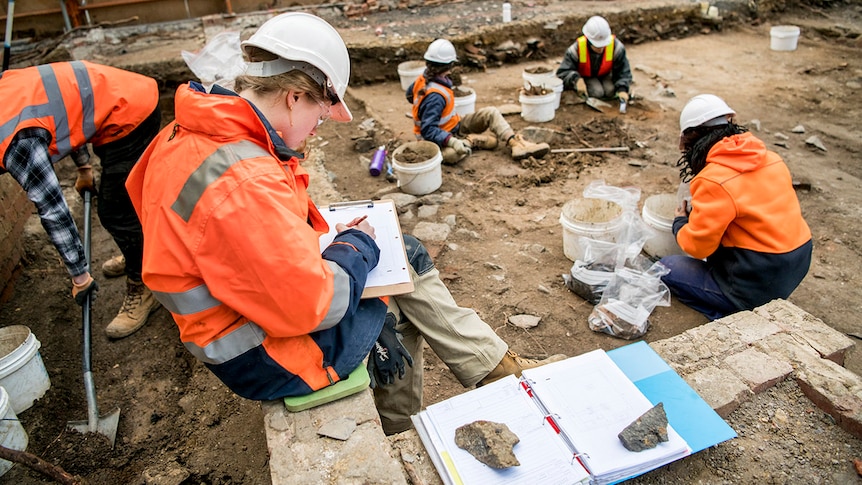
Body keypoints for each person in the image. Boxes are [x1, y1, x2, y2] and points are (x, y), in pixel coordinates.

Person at [125, 12, 564, 435]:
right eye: (319, 116)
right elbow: (314, 305)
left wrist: (309, 243)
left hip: (233, 314)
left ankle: (492, 370)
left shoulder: (190, 132)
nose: (317, 129)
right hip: (255, 350)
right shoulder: (245, 177)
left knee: (405, 254)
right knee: (393, 303)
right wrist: (354, 244)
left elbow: (198, 221)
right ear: (295, 96)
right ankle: (402, 426)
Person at [0, 60, 162, 338]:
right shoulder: (7, 95)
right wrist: (84, 167)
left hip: (130, 111)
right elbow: (61, 112)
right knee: (128, 196)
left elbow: (53, 209)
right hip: (119, 96)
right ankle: (143, 254)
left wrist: (80, 276)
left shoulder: (14, 139)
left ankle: (145, 285)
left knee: (115, 212)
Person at [659, 94, 813, 321]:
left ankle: (730, 313)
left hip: (756, 278)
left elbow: (698, 248)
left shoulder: (713, 179)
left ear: (691, 139)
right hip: (796, 262)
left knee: (667, 267)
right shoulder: (771, 158)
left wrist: (680, 223)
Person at [407, 38, 550, 165]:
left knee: (490, 113)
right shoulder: (435, 96)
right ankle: (471, 140)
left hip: (454, 125)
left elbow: (409, 96)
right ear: (449, 66)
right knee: (451, 155)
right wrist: (451, 141)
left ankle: (515, 142)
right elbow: (428, 130)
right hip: (435, 141)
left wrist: (421, 106)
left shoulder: (422, 79)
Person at [556, 16, 632, 102]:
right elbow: (562, 72)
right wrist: (576, 80)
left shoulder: (616, 47)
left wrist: (622, 89)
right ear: (589, 40)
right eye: (597, 45)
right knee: (597, 92)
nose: (601, 48)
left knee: (610, 90)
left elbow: (624, 70)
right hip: (585, 76)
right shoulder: (576, 49)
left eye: (603, 45)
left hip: (605, 74)